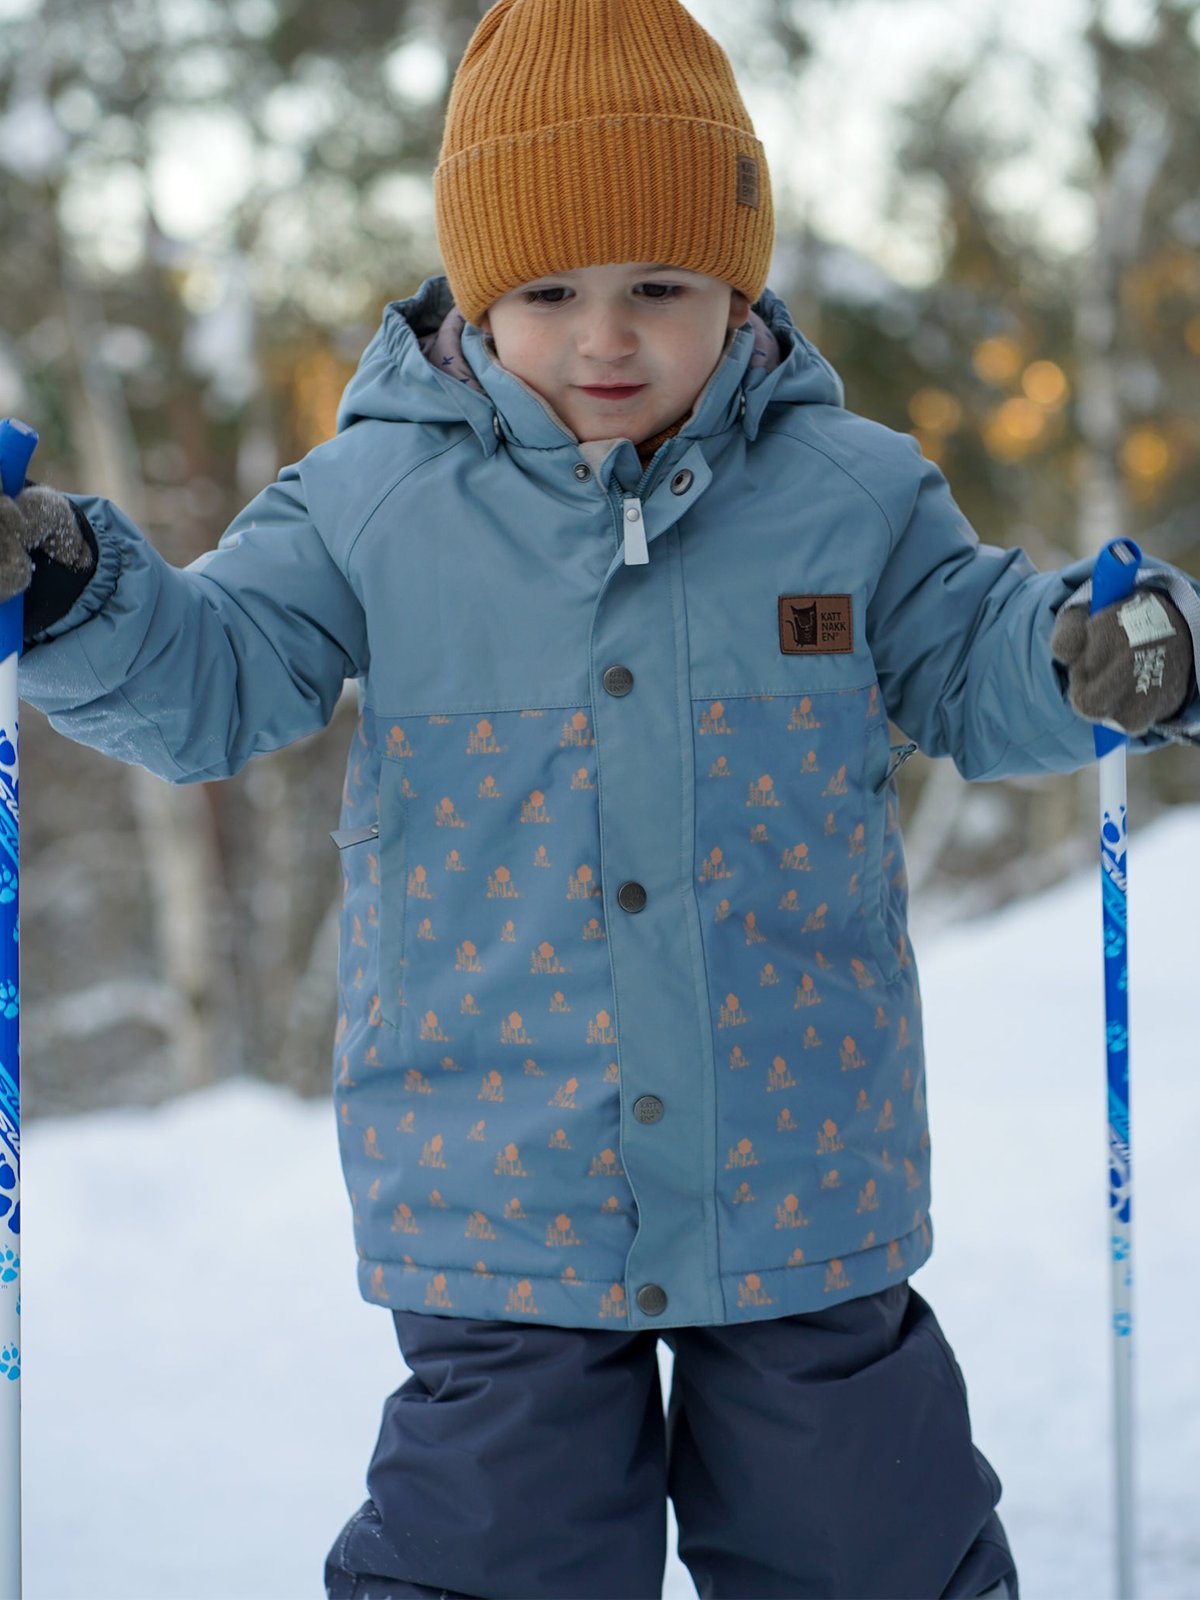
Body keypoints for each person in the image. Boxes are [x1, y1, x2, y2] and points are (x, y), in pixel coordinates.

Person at [5, 1, 1199, 1595]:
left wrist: (1111, 651)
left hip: (798, 1161)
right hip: (497, 1175)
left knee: (863, 1531)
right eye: (550, 293)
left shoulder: (851, 497)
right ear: (476, 294)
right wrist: (71, 589)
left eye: (660, 287)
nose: (606, 339)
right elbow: (210, 676)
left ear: (738, 284)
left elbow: (984, 654)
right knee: (499, 1542)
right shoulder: (370, 505)